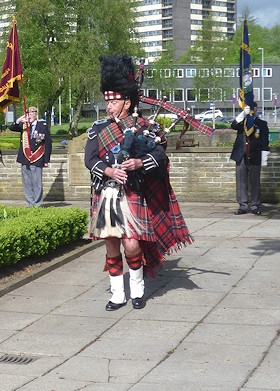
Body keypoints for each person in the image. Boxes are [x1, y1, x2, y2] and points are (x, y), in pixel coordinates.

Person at [84, 54, 193, 311]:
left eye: (114, 101)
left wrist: (138, 163)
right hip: (107, 193)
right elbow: (90, 160)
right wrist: (110, 171)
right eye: (107, 101)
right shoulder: (98, 129)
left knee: (131, 245)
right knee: (111, 244)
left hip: (132, 192)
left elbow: (160, 156)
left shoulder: (145, 127)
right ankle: (117, 294)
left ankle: (138, 289)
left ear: (127, 101)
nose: (109, 107)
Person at [230, 102, 270, 215]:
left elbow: (264, 141)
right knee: (241, 182)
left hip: (255, 155)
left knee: (255, 182)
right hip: (241, 155)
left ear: (256, 110)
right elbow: (233, 125)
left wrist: (264, 156)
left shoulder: (261, 124)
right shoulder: (242, 122)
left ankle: (255, 205)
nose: (253, 111)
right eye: (250, 109)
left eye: (254, 109)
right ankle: (242, 206)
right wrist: (243, 114)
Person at [9, 106, 52, 206]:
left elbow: (48, 144)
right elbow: (12, 127)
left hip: (37, 157)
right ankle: (30, 202)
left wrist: (46, 160)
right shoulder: (24, 126)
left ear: (36, 115)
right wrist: (20, 119)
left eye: (32, 114)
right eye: (28, 114)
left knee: (37, 183)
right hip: (25, 158)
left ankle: (37, 203)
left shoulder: (42, 127)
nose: (30, 116)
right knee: (27, 183)